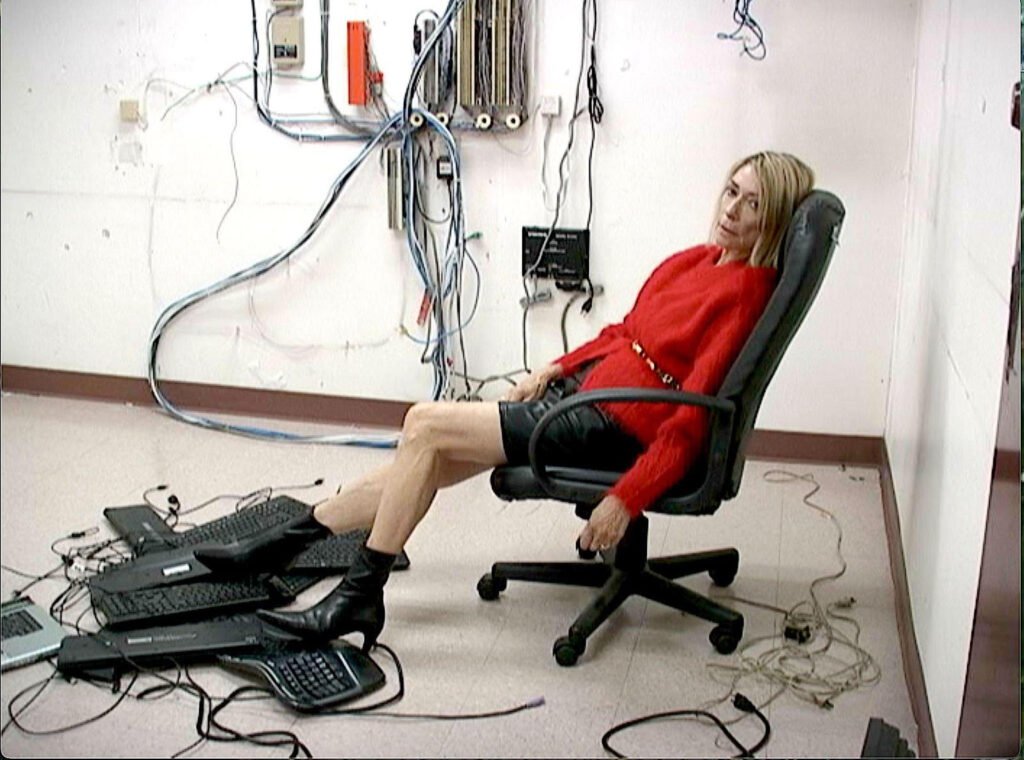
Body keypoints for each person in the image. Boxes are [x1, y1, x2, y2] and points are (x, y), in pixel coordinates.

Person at [256, 151, 816, 651]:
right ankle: (287, 543)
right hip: (587, 395)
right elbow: (625, 333)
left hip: (615, 427)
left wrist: (627, 498)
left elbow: (693, 417)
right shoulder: (697, 260)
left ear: (773, 220)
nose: (732, 209)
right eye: (732, 191)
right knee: (432, 453)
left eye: (753, 204)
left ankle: (357, 593)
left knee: (424, 425)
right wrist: (555, 369)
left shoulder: (746, 295)